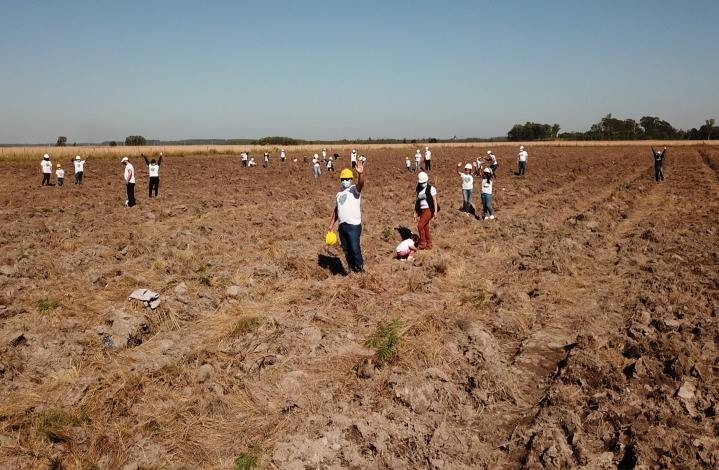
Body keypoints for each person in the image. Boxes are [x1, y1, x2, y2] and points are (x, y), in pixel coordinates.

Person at [328, 162, 365, 273]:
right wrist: (331, 224)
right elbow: (336, 209)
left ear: (351, 179)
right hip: (342, 226)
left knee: (355, 249)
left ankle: (360, 271)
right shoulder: (339, 194)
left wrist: (361, 174)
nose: (345, 181)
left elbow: (361, 184)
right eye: (343, 179)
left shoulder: (354, 190)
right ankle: (352, 269)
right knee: (347, 250)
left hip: (353, 225)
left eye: (347, 179)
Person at [415, 171, 439, 250]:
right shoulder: (418, 189)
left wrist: (435, 212)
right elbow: (417, 201)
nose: (422, 184)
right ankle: (429, 244)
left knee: (420, 226)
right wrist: (415, 212)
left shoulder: (431, 189)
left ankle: (422, 243)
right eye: (421, 182)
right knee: (425, 227)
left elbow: (435, 201)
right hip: (421, 210)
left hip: (429, 210)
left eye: (424, 182)